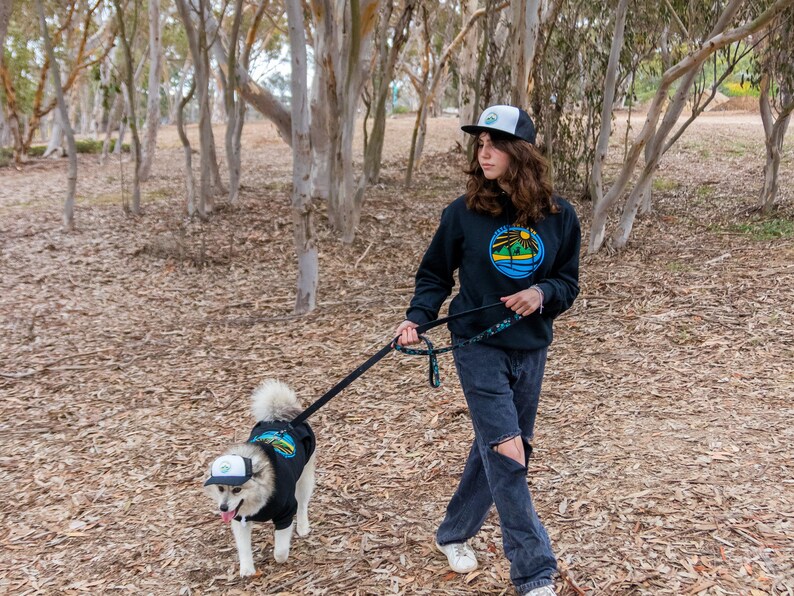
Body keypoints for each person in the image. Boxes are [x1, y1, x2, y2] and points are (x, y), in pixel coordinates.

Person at [394, 104, 580, 596]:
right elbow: (435, 273)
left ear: (521, 153)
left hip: (530, 347)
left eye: (494, 144)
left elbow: (567, 282)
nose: (485, 152)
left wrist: (542, 293)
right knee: (509, 451)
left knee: (497, 449)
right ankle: (535, 573)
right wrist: (417, 317)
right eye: (479, 144)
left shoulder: (560, 216)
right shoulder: (461, 213)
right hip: (476, 345)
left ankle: (452, 532)